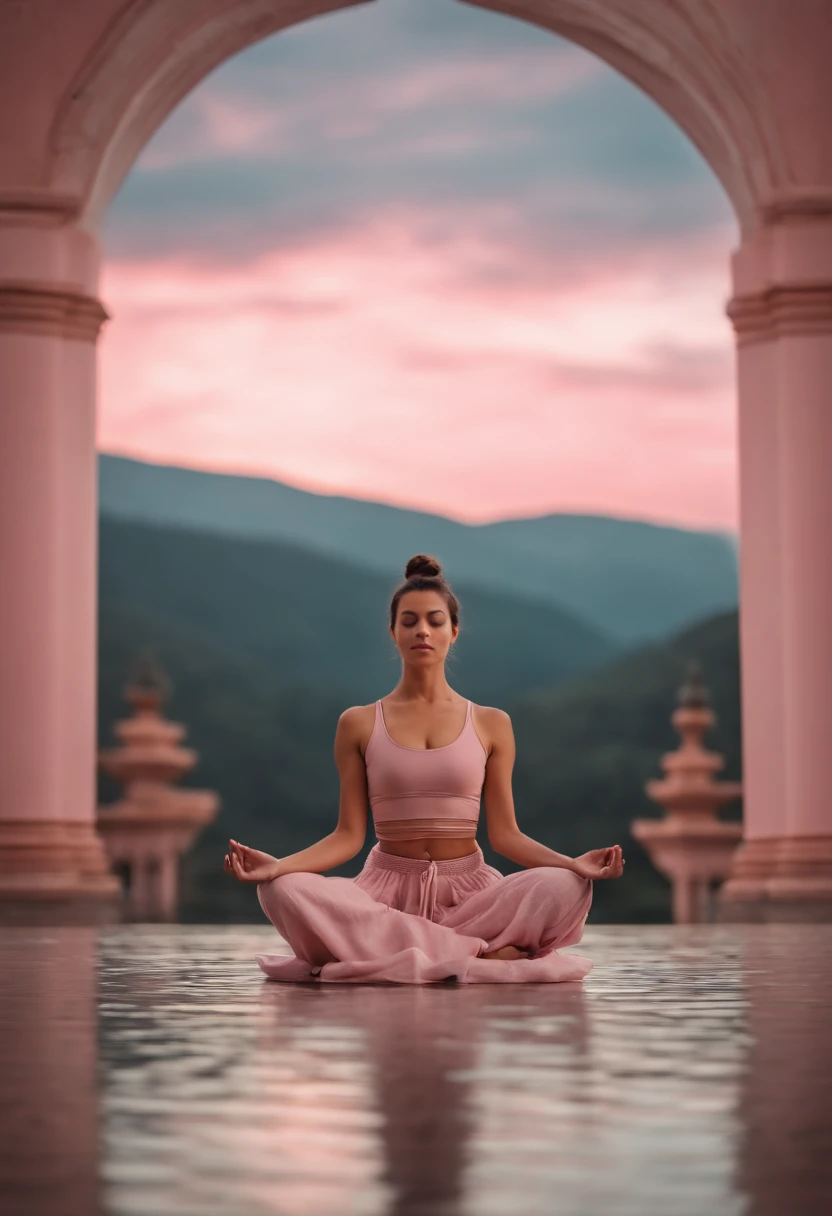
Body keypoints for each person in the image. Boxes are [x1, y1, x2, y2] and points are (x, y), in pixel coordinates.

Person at [224, 554, 625, 984]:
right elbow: (347, 837)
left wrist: (573, 864)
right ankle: (481, 954)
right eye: (410, 621)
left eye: (434, 621)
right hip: (382, 895)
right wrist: (278, 867)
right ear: (393, 632)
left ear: (453, 631)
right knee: (283, 891)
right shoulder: (358, 722)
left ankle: (402, 951)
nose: (422, 631)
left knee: (566, 886)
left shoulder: (492, 723)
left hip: (473, 896)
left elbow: (506, 835)